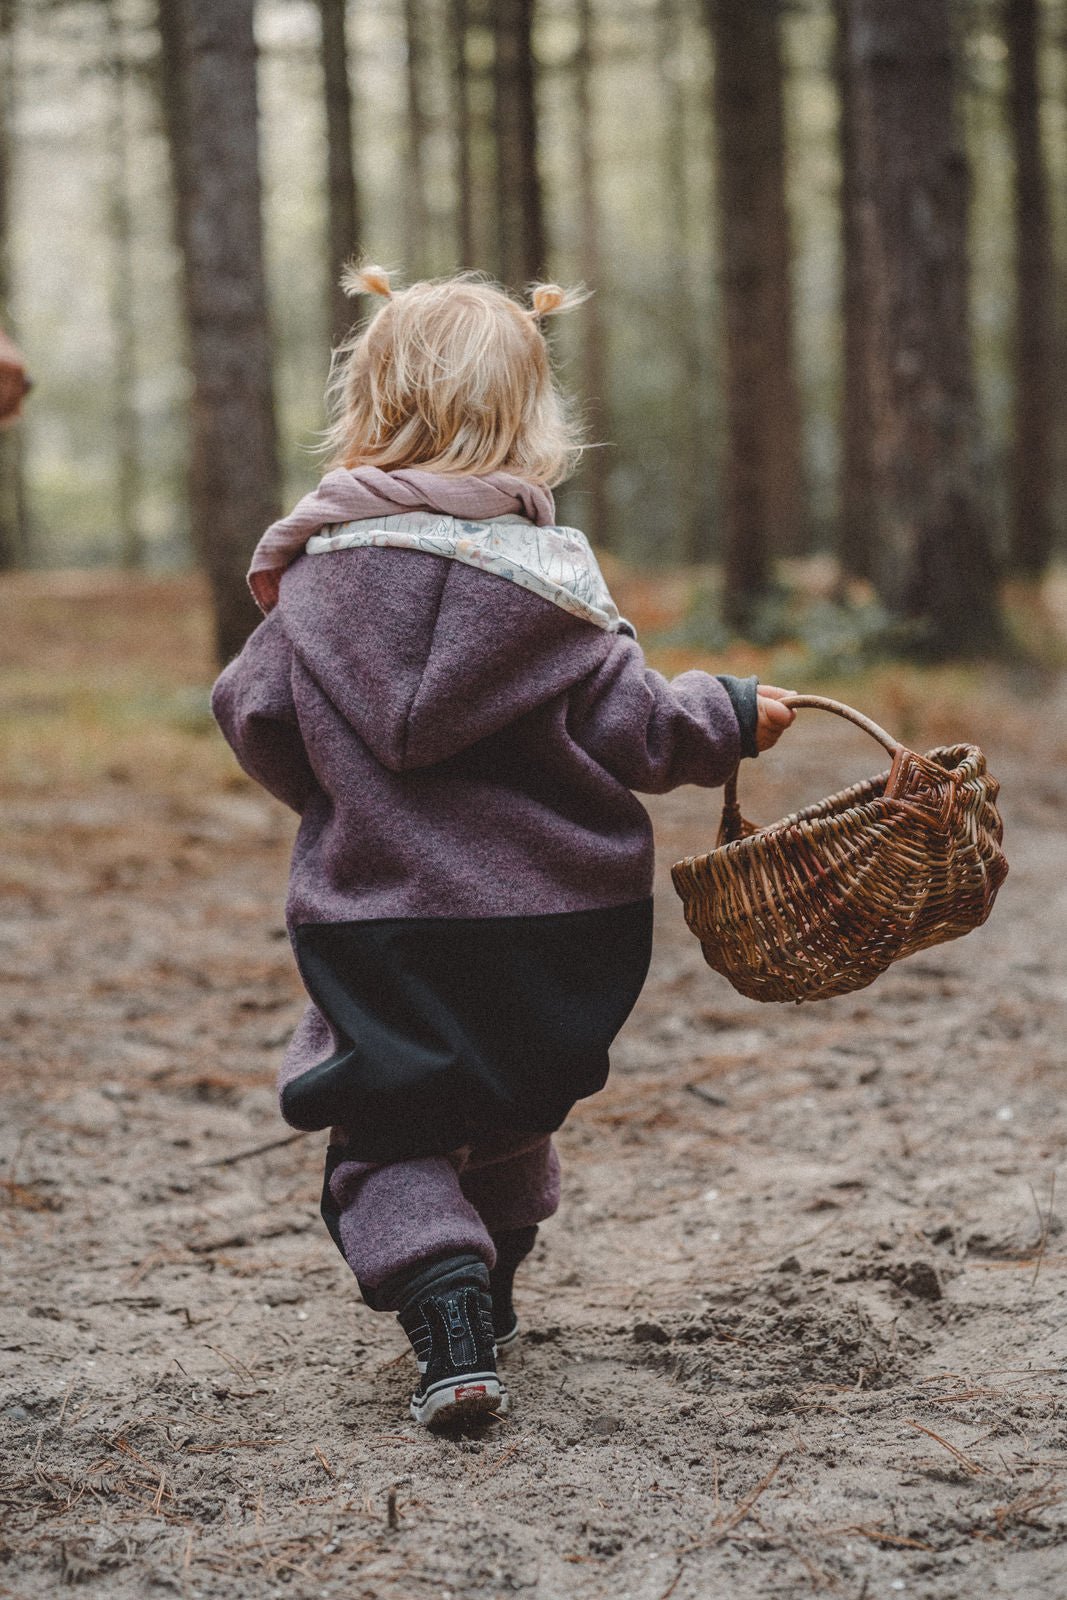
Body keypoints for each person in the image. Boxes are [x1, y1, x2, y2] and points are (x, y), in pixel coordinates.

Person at [212, 265, 795, 1428]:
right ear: (532, 421)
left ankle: (446, 1301)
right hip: (561, 929)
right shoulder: (549, 586)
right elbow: (636, 726)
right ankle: (491, 1283)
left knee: (388, 1131)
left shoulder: (318, 590)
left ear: (366, 407)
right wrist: (730, 713)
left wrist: (342, 802)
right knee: (510, 1105)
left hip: (385, 927)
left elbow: (254, 715)